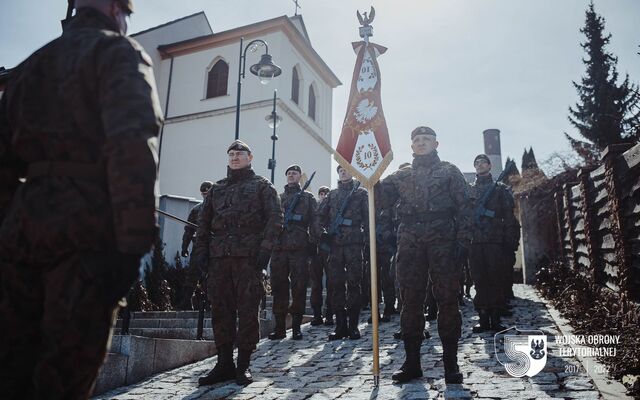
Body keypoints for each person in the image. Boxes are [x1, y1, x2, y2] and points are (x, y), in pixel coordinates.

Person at [0, 0, 163, 398]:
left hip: (21, 231)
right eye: (127, 15)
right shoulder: (116, 52)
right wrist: (134, 247)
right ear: (114, 9)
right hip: (88, 231)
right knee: (65, 377)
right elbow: (132, 148)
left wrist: (9, 226)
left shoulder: (31, 66)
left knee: (11, 372)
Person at [377, 126, 471, 384]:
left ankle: (451, 363)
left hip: (443, 240)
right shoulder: (400, 175)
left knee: (448, 300)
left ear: (436, 144)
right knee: (410, 301)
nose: (421, 143)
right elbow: (378, 200)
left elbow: (465, 207)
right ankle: (412, 362)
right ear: (411, 146)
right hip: (410, 241)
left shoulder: (450, 171)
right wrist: (370, 179)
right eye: (417, 140)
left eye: (426, 140)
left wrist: (463, 241)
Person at [193, 140, 282, 386]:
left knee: (247, 311)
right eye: (231, 153)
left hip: (249, 259)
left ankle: (243, 365)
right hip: (219, 259)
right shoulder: (217, 189)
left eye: (239, 153)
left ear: (250, 157)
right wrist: (200, 252)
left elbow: (275, 219)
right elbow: (203, 224)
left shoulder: (262, 186)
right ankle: (224, 365)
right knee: (221, 311)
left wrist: (265, 251)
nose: (234, 157)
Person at [468, 154, 520, 333]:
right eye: (477, 163)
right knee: (479, 280)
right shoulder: (470, 191)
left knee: (495, 280)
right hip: (475, 242)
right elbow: (462, 215)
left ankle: (496, 319)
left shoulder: (500, 190)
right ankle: (483, 319)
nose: (479, 165)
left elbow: (509, 217)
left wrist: (510, 242)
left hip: (495, 241)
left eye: (483, 162)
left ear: (489, 166)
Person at [269, 165, 320, 340]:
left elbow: (315, 221)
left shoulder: (308, 198)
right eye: (289, 173)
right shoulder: (278, 198)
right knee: (278, 287)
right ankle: (280, 327)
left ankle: (296, 327)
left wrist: (314, 243)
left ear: (300, 177)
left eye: (295, 173)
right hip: (279, 248)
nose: (291, 175)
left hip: (299, 248)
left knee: (298, 287)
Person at [318, 166, 368, 341]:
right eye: (340, 170)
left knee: (354, 284)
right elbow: (319, 217)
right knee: (336, 285)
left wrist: (368, 242)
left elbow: (369, 218)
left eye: (346, 170)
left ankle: (353, 326)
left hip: (354, 243)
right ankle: (340, 326)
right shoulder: (331, 195)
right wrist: (322, 233)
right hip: (336, 245)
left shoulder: (361, 193)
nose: (343, 172)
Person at [310, 186, 334, 326]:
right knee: (315, 284)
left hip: (329, 249)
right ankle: (316, 315)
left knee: (331, 283)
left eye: (326, 193)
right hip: (315, 249)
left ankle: (329, 313)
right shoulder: (314, 209)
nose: (323, 195)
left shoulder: (331, 209)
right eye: (321, 193)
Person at [181, 181, 213, 257]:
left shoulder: (219, 208)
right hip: (200, 246)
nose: (206, 196)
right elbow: (188, 231)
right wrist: (184, 248)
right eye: (204, 194)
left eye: (208, 194)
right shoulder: (196, 210)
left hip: (215, 246)